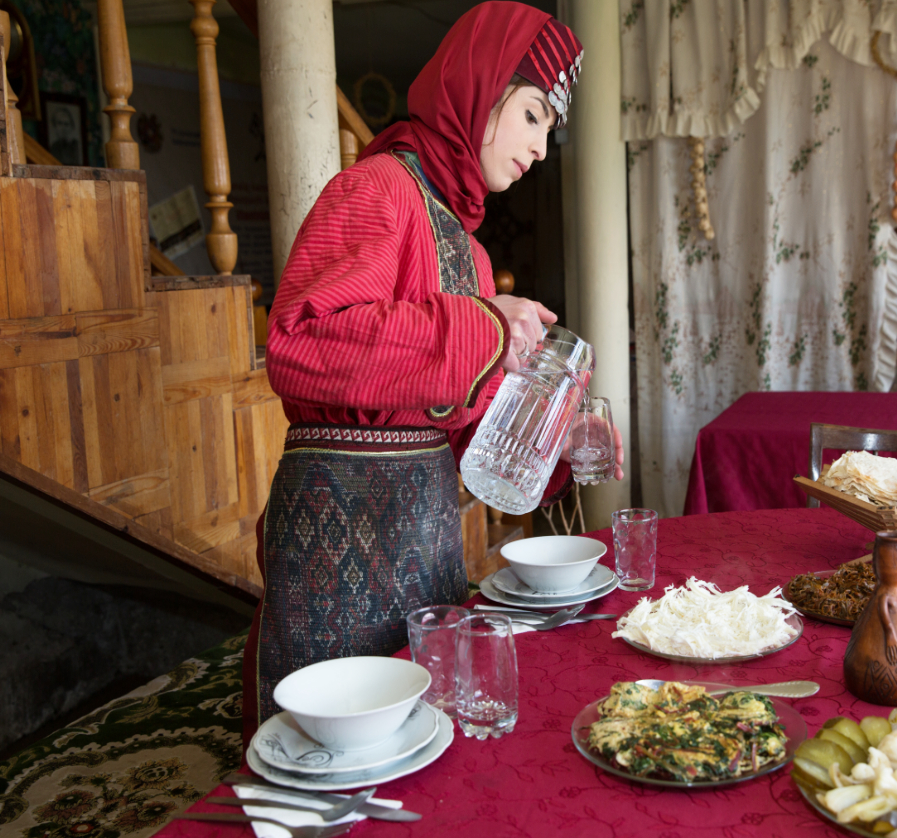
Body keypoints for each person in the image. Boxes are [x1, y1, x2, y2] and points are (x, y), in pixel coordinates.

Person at [241, 1, 623, 746]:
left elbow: (467, 440)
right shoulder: (375, 190)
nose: (542, 147)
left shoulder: (470, 251)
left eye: (550, 128)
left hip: (423, 539)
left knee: (417, 734)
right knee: (332, 750)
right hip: (336, 535)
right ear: (481, 89)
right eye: (533, 115)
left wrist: (550, 438)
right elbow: (300, 344)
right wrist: (482, 326)